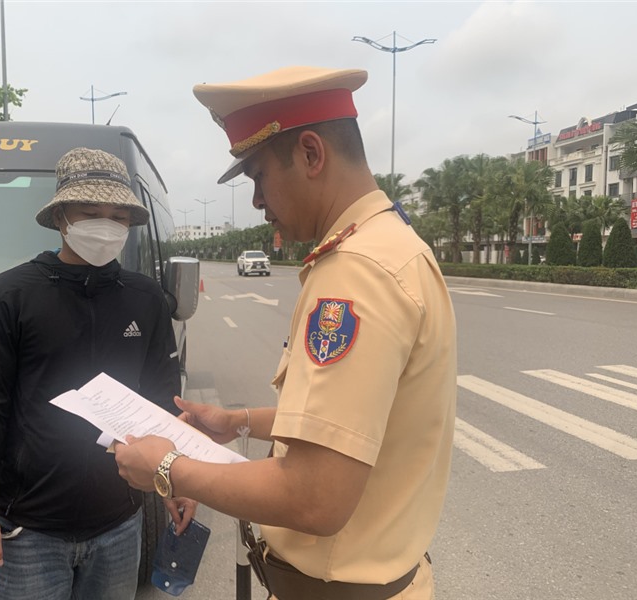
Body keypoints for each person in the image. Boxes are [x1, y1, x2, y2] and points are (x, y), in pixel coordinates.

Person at [114, 66, 457, 600]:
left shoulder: (357, 273)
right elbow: (357, 424)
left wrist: (167, 467)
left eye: (258, 176)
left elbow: (315, 496)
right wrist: (241, 422)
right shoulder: (394, 246)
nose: (256, 200)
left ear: (312, 154)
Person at [0, 147, 196, 599]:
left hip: (120, 525)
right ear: (61, 217)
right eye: (91, 213)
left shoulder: (146, 298)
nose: (106, 225)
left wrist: (177, 476)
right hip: (27, 533)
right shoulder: (8, 295)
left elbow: (163, 400)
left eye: (118, 217)